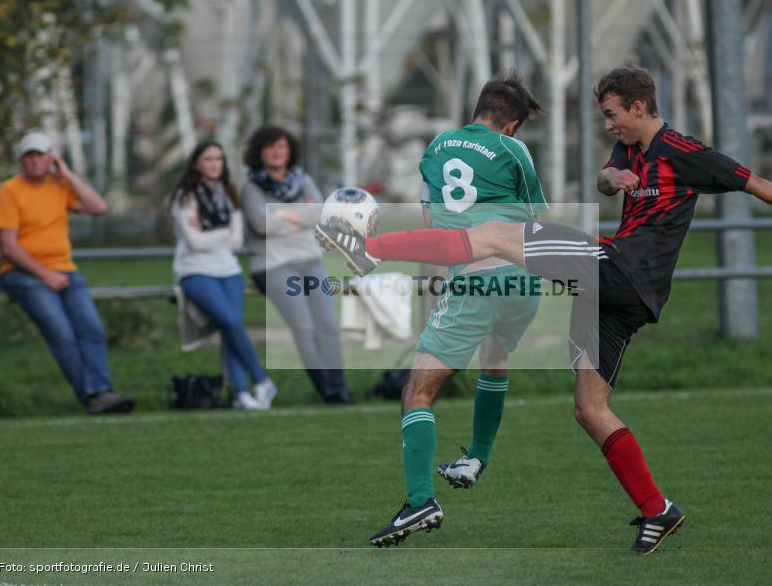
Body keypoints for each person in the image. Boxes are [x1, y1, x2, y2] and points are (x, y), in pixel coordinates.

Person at [317, 66, 772, 553]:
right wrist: (610, 180)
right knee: (589, 408)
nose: (608, 125)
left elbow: (754, 183)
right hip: (615, 294)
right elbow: (604, 178)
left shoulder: (684, 152)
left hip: (620, 270)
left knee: (496, 235)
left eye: (612, 114)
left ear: (638, 107)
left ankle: (369, 250)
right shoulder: (628, 150)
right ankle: (658, 510)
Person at [347, 70, 548, 547]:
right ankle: (476, 457)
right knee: (495, 356)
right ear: (512, 125)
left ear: (477, 111)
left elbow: (431, 224)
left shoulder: (437, 148)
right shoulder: (514, 150)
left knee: (417, 393)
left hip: (475, 279)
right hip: (523, 281)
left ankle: (421, 501)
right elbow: (536, 219)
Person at [0, 131, 135, 414]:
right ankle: (95, 396)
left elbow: (98, 207)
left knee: (91, 327)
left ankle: (101, 392)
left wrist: (68, 175)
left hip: (64, 270)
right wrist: (45, 275)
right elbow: (9, 246)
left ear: (51, 158)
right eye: (29, 156)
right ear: (21, 161)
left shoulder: (59, 186)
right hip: (23, 273)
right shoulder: (9, 190)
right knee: (62, 332)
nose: (34, 161)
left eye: (40, 155)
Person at [241, 126, 355, 404]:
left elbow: (321, 213)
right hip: (273, 265)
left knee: (328, 325)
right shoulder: (251, 186)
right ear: (259, 152)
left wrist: (281, 214)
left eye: (281, 146)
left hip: (309, 259)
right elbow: (261, 224)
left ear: (289, 150)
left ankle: (340, 387)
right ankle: (328, 390)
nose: (276, 152)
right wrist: (300, 214)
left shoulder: (302, 179)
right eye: (270, 147)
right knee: (304, 327)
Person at [172, 141, 276, 410]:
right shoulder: (185, 197)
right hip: (195, 270)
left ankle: (240, 394)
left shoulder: (228, 194)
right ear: (196, 163)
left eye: (218, 158)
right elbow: (194, 243)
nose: (214, 164)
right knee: (230, 321)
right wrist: (223, 233)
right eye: (208, 159)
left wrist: (211, 232)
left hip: (229, 270)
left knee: (232, 329)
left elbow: (237, 240)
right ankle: (262, 379)